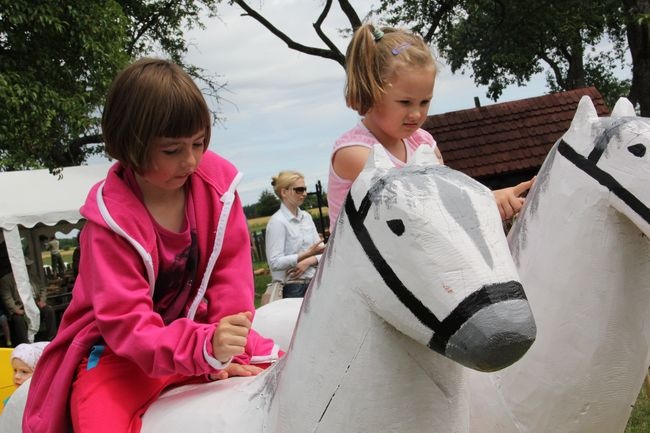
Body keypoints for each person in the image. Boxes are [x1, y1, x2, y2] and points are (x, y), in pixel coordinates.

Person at [23, 58, 280, 433]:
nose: (190, 160)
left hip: (200, 335)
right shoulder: (108, 225)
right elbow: (128, 327)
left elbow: (230, 278)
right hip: (120, 355)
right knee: (97, 424)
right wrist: (205, 348)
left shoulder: (218, 193)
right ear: (131, 145)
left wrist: (227, 346)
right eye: (172, 150)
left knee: (295, 380)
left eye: (198, 143)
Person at [327, 24, 534, 233]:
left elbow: (444, 193)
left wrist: (490, 202)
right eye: (405, 102)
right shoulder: (354, 153)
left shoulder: (423, 141)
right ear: (369, 94)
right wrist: (486, 201)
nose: (416, 114)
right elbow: (412, 206)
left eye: (425, 102)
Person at [265, 171, 325, 298]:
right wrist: (305, 255)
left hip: (315, 283)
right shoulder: (277, 222)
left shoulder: (307, 217)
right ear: (284, 192)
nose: (304, 193)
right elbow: (274, 263)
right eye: (299, 190)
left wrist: (309, 260)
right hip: (291, 287)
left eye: (305, 189)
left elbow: (323, 251)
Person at [0, 257, 57, 345]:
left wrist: (42, 300)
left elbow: (42, 288)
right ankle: (25, 343)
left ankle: (52, 338)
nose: (28, 268)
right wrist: (16, 309)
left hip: (35, 303)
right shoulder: (6, 280)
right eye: (26, 266)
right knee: (18, 320)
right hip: (20, 306)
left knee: (49, 310)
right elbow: (7, 297)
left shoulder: (32, 276)